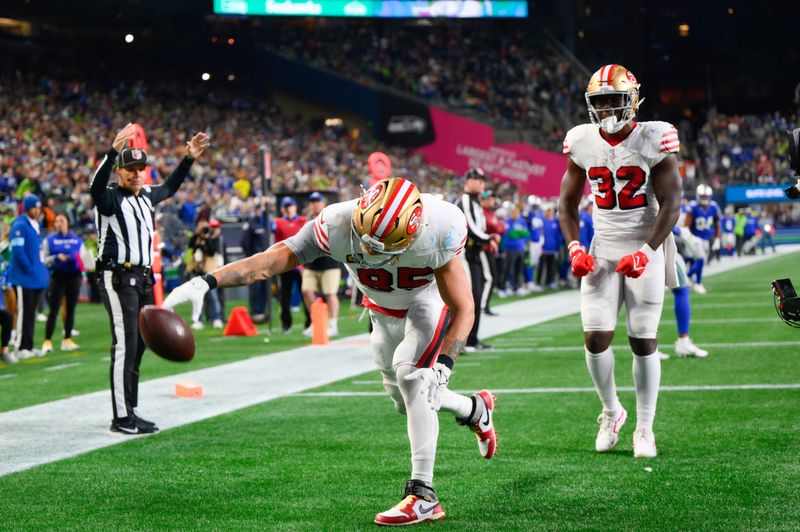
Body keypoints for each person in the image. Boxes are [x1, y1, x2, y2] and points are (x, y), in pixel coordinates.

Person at [164, 177, 497, 526]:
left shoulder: (441, 227)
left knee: (411, 377)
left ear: (413, 232)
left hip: (423, 303)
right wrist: (207, 281)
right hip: (379, 310)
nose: (369, 252)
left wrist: (443, 365)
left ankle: (423, 494)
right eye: (365, 237)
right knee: (404, 400)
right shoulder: (336, 222)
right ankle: (474, 409)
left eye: (382, 246)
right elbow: (269, 261)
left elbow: (464, 308)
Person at [559, 64, 682, 459]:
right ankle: (612, 411)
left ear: (633, 99)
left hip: (646, 242)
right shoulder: (581, 140)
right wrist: (575, 247)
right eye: (601, 101)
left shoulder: (654, 136)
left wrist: (647, 252)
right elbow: (566, 204)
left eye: (615, 99)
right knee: (595, 338)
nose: (608, 108)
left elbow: (672, 203)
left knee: (643, 339)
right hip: (604, 245)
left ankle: (645, 427)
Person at [91, 122, 209, 435]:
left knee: (139, 344)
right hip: (117, 276)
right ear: (119, 171)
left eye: (141, 168)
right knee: (125, 343)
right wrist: (111, 152)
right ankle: (120, 417)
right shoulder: (110, 199)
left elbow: (169, 188)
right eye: (130, 168)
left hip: (143, 278)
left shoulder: (145, 197)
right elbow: (95, 189)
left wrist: (188, 159)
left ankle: (131, 409)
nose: (136, 173)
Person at [7, 194, 50, 359]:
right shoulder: (19, 224)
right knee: (24, 312)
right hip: (24, 277)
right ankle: (19, 346)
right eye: (34, 207)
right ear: (27, 208)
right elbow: (17, 250)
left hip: (35, 277)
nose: (37, 210)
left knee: (31, 313)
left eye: (39, 207)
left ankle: (29, 345)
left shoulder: (36, 224)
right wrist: (29, 268)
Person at [457, 168, 495, 351]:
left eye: (482, 180)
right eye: (477, 180)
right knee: (468, 299)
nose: (481, 183)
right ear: (468, 181)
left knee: (476, 296)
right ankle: (460, 340)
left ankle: (471, 338)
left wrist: (487, 240)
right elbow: (470, 228)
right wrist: (489, 238)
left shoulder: (475, 202)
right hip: (465, 253)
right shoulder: (465, 200)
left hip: (476, 252)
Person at [41, 214, 84, 353]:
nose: (59, 223)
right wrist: (56, 258)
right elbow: (45, 260)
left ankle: (67, 339)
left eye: (62, 221)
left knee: (70, 309)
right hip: (57, 277)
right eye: (56, 221)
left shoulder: (77, 240)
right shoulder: (49, 239)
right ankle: (47, 341)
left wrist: (73, 259)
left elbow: (83, 260)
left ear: (67, 223)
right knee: (53, 310)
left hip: (74, 277)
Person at [301, 192, 342, 337]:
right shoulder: (307, 220)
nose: (314, 204)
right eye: (312, 202)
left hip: (329, 263)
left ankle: (332, 324)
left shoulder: (330, 218)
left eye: (317, 201)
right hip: (311, 264)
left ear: (323, 203)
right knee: (307, 291)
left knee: (330, 294)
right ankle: (316, 321)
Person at [274, 196, 308, 333]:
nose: (289, 209)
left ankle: (310, 322)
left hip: (301, 262)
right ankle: (286, 324)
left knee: (306, 293)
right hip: (285, 263)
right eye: (286, 206)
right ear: (282, 208)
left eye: (291, 206)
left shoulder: (302, 220)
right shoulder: (278, 222)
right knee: (285, 296)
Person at [186, 219, 224, 329]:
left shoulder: (212, 238)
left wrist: (206, 239)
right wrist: (197, 234)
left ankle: (216, 318)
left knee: (213, 296)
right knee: (197, 297)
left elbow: (212, 251)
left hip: (209, 271)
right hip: (196, 270)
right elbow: (190, 246)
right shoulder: (196, 237)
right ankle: (198, 320)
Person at [683, 184, 719, 293]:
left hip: (706, 238)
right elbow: (686, 225)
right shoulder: (693, 207)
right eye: (702, 196)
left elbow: (717, 224)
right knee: (701, 260)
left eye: (706, 196)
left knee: (701, 261)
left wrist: (717, 238)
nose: (704, 199)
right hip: (694, 238)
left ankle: (687, 278)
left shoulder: (713, 207)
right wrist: (688, 238)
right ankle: (697, 283)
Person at [240, 199, 269, 323]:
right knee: (255, 287)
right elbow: (244, 242)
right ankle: (255, 312)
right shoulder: (251, 225)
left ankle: (262, 311)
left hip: (266, 261)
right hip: (255, 262)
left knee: (264, 287)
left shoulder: (266, 224)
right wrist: (251, 257)